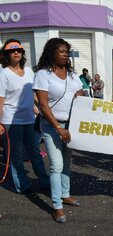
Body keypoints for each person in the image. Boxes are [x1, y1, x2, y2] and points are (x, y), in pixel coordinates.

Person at [33, 38, 83, 223]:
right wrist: (58, 128)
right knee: (56, 165)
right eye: (61, 51)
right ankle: (57, 206)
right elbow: (44, 105)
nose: (65, 55)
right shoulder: (43, 74)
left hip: (72, 124)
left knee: (67, 163)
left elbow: (80, 93)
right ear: (51, 53)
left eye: (67, 51)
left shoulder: (71, 73)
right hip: (52, 126)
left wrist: (81, 96)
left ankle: (65, 194)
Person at [0, 39, 49, 196]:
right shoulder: (3, 74)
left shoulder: (29, 71)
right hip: (11, 121)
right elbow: (0, 100)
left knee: (35, 151)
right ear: (6, 54)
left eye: (19, 50)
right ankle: (22, 185)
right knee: (16, 155)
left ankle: (45, 182)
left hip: (29, 119)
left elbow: (33, 95)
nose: (16, 53)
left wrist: (41, 112)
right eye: (12, 51)